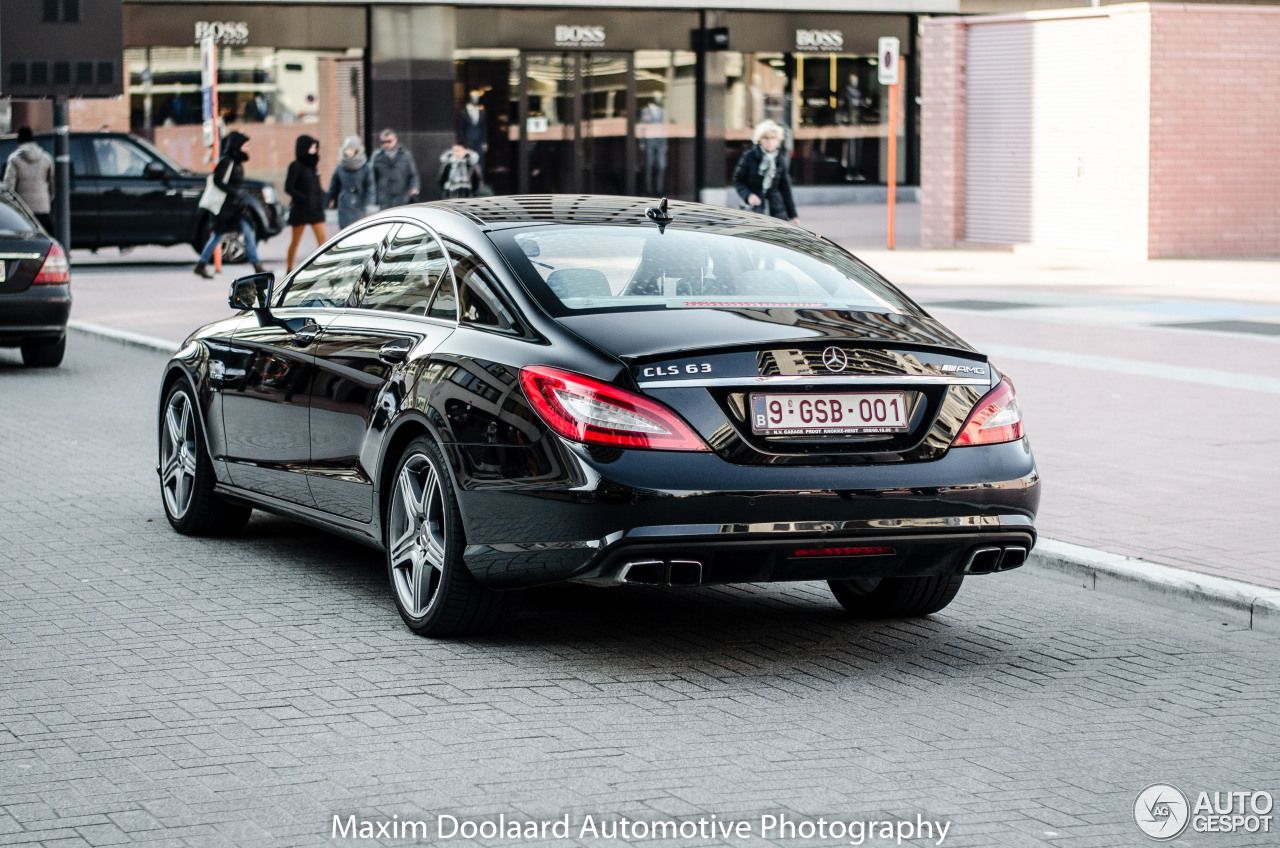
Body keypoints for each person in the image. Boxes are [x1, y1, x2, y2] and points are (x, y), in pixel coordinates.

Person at [193, 131, 265, 279]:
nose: (248, 147)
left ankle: (257, 265)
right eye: (246, 145)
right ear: (238, 146)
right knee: (218, 236)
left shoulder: (238, 162)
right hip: (225, 209)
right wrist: (234, 192)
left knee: (248, 233)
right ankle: (201, 264)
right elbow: (217, 181)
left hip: (237, 208)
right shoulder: (227, 161)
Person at [732, 120, 798, 225]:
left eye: (773, 138)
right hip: (755, 208)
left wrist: (793, 215)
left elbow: (785, 188)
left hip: (776, 209)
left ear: (778, 140)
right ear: (759, 140)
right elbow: (738, 180)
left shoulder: (779, 159)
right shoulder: (750, 156)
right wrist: (749, 196)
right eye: (766, 138)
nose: (770, 141)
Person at [284, 134, 327, 273]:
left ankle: (325, 267)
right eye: (312, 147)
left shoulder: (313, 165)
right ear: (304, 148)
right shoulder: (295, 166)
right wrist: (303, 198)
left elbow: (317, 186)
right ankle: (289, 268)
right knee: (295, 241)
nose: (315, 150)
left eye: (315, 147)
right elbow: (289, 187)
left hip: (315, 209)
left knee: (323, 241)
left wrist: (323, 197)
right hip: (300, 209)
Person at [3, 127, 55, 233]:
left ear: (19, 141)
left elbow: (9, 187)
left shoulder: (14, 159)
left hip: (23, 207)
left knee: (26, 237)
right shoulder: (46, 158)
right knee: (42, 235)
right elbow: (53, 185)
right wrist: (47, 200)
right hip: (42, 206)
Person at [327, 135, 375, 230]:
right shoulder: (340, 166)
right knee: (345, 233)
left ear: (356, 150)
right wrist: (328, 200)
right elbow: (334, 186)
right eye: (346, 149)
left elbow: (370, 186)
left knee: (360, 232)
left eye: (350, 149)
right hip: (344, 205)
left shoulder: (365, 166)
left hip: (360, 206)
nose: (347, 152)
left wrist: (370, 203)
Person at [370, 129, 419, 210]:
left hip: (402, 199)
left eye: (389, 141)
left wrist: (414, 188)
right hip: (383, 200)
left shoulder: (405, 155)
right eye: (383, 142)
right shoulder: (376, 157)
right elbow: (371, 179)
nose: (386, 144)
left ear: (395, 139)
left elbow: (413, 175)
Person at [638, 95, 668, 195]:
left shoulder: (662, 112)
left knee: (661, 165)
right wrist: (641, 141)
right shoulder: (645, 111)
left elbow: (665, 127)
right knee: (648, 165)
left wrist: (665, 142)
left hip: (660, 141)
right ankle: (648, 189)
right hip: (649, 141)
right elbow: (642, 126)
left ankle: (659, 189)